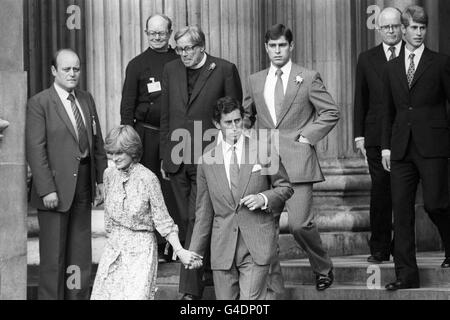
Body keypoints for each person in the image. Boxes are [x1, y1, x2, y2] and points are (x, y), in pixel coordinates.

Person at [244, 24, 340, 292]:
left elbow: (330, 111)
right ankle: (273, 286)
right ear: (266, 48)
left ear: (291, 46)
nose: (277, 50)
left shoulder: (307, 77)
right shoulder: (254, 80)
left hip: (298, 162)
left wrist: (306, 137)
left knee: (299, 225)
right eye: (272, 46)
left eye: (282, 45)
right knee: (265, 229)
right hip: (265, 163)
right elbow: (248, 115)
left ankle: (322, 267)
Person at [160, 25, 243, 300]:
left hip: (209, 158)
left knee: (196, 219)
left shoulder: (223, 69)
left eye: (188, 48)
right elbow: (166, 116)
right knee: (185, 220)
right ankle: (205, 269)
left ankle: (190, 290)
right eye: (179, 48)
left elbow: (234, 116)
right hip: (176, 157)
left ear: (201, 46)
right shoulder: (171, 70)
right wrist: (164, 153)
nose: (183, 54)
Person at [188, 97, 293, 300]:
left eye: (238, 121)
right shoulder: (206, 160)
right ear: (217, 124)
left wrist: (264, 198)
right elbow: (203, 211)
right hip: (222, 249)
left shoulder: (263, 149)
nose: (235, 127)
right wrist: (195, 251)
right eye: (228, 123)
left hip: (256, 244)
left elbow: (285, 187)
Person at [26, 49, 108, 300]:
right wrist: (46, 188)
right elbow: (35, 149)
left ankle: (77, 297)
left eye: (76, 69)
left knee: (80, 253)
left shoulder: (86, 98)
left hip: (83, 183)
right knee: (54, 257)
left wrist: (100, 179)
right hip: (54, 189)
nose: (73, 74)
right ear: (53, 71)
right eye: (66, 69)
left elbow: (97, 141)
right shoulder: (39, 103)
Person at [381, 5, 450, 291]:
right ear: (402, 30)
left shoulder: (440, 62)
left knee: (436, 203)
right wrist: (385, 147)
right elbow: (386, 110)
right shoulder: (391, 66)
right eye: (413, 28)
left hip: (433, 145)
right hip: (400, 148)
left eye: (423, 28)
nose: (419, 33)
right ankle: (406, 275)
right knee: (402, 211)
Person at [91, 125, 201, 300]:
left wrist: (180, 251)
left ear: (132, 151)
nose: (114, 158)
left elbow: (163, 220)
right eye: (111, 153)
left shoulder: (148, 178)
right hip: (113, 250)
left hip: (141, 252)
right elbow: (109, 220)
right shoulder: (109, 174)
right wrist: (112, 244)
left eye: (119, 153)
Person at [120, 13, 180, 263]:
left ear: (169, 33)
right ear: (146, 33)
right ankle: (153, 243)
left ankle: (176, 242)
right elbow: (127, 105)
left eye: (162, 32)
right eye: (152, 32)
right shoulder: (136, 64)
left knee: (173, 188)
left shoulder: (180, 60)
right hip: (146, 135)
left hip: (176, 136)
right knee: (147, 188)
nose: (157, 36)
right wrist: (128, 141)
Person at [353, 7, 404, 264]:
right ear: (378, 29)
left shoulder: (412, 55)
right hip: (374, 136)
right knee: (381, 190)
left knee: (403, 192)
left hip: (405, 133)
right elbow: (360, 98)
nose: (391, 31)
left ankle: (402, 246)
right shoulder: (366, 58)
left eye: (395, 26)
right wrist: (358, 136)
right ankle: (380, 247)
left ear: (402, 27)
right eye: (386, 27)